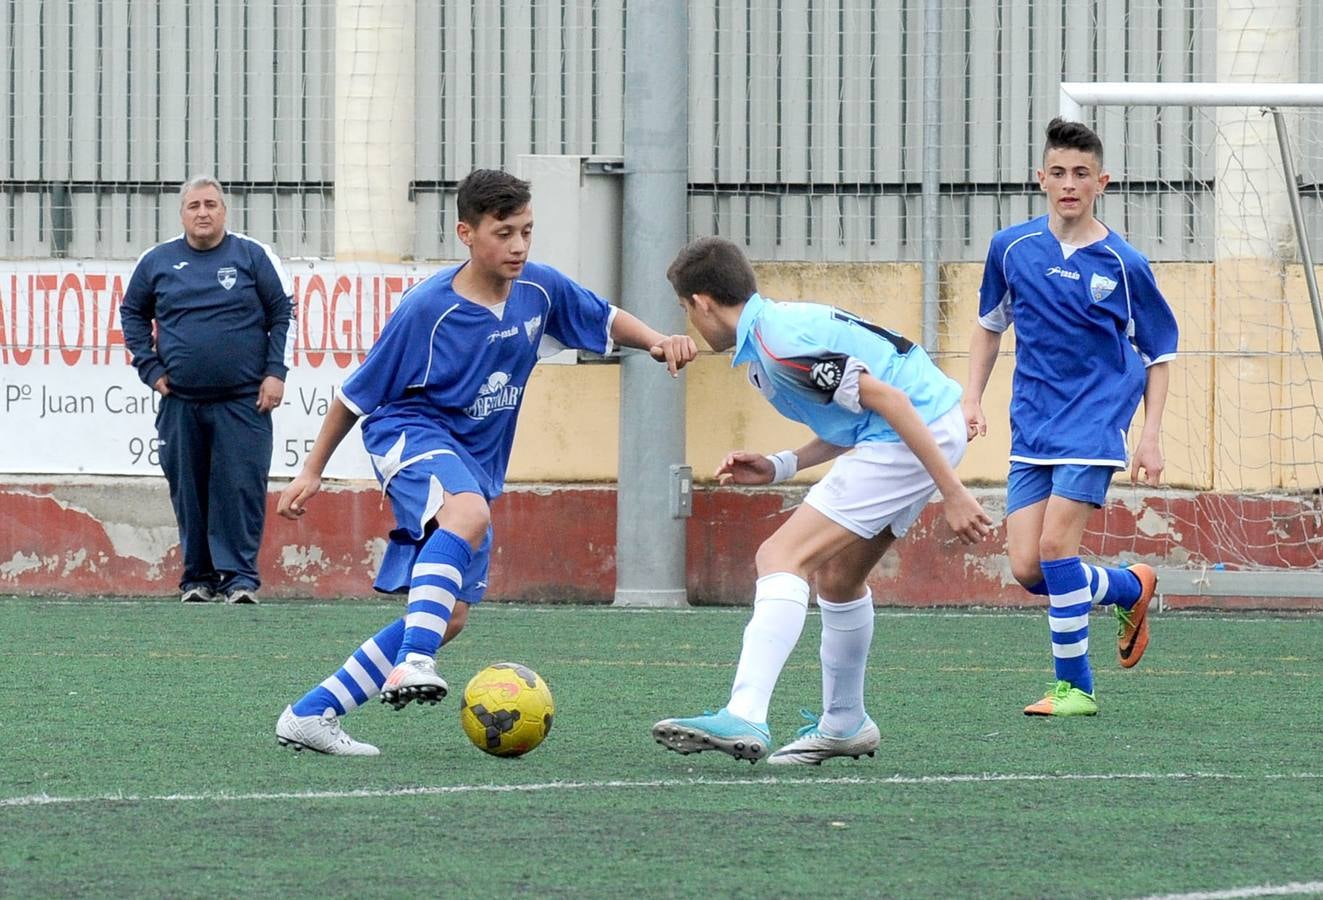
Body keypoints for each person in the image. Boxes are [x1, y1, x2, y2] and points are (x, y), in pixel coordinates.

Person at [272, 168, 698, 756]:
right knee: (466, 515)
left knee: (450, 618)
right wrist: (312, 470)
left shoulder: (538, 290)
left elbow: (602, 317)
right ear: (466, 234)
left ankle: (311, 713)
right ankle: (412, 662)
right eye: (504, 233)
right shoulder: (428, 309)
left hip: (474, 459)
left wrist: (655, 340)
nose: (519, 245)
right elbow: (355, 394)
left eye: (526, 231)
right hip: (409, 432)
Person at [651, 236, 993, 765]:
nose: (691, 323)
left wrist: (953, 492)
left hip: (911, 431)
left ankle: (745, 711)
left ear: (702, 302)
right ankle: (845, 722)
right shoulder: (773, 335)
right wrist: (780, 465)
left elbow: (888, 400)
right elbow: (859, 416)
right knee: (838, 579)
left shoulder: (779, 344)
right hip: (921, 427)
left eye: (684, 310)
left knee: (779, 557)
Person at [962, 117, 1178, 717]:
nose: (1069, 184)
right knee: (1031, 569)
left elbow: (1159, 355)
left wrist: (1149, 437)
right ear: (1041, 179)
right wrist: (971, 398)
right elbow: (988, 327)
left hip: (1095, 423)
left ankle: (1075, 687)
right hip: (1033, 425)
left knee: (1058, 548)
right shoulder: (1011, 249)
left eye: (1081, 174)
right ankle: (1131, 586)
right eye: (1058, 172)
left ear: (1101, 182)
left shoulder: (1125, 263)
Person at [121, 175, 294, 605]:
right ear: (182, 213)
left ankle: (240, 580)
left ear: (224, 211)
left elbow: (282, 315)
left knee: (241, 488)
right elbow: (132, 314)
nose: (203, 212)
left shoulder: (253, 256)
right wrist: (150, 366)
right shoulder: (157, 261)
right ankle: (197, 579)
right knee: (189, 489)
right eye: (194, 205)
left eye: (211, 205)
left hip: (244, 400)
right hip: (180, 401)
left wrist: (276, 373)